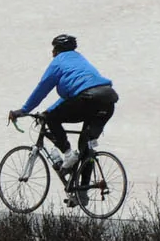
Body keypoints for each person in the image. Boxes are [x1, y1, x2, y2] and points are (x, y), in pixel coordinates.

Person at [8, 34, 119, 193]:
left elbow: (42, 88)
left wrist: (24, 110)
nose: (52, 52)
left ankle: (67, 154)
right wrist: (50, 110)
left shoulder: (58, 62)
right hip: (107, 100)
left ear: (58, 50)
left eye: (54, 49)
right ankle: (82, 192)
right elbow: (72, 96)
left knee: (52, 119)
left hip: (87, 100)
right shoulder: (80, 60)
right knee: (86, 147)